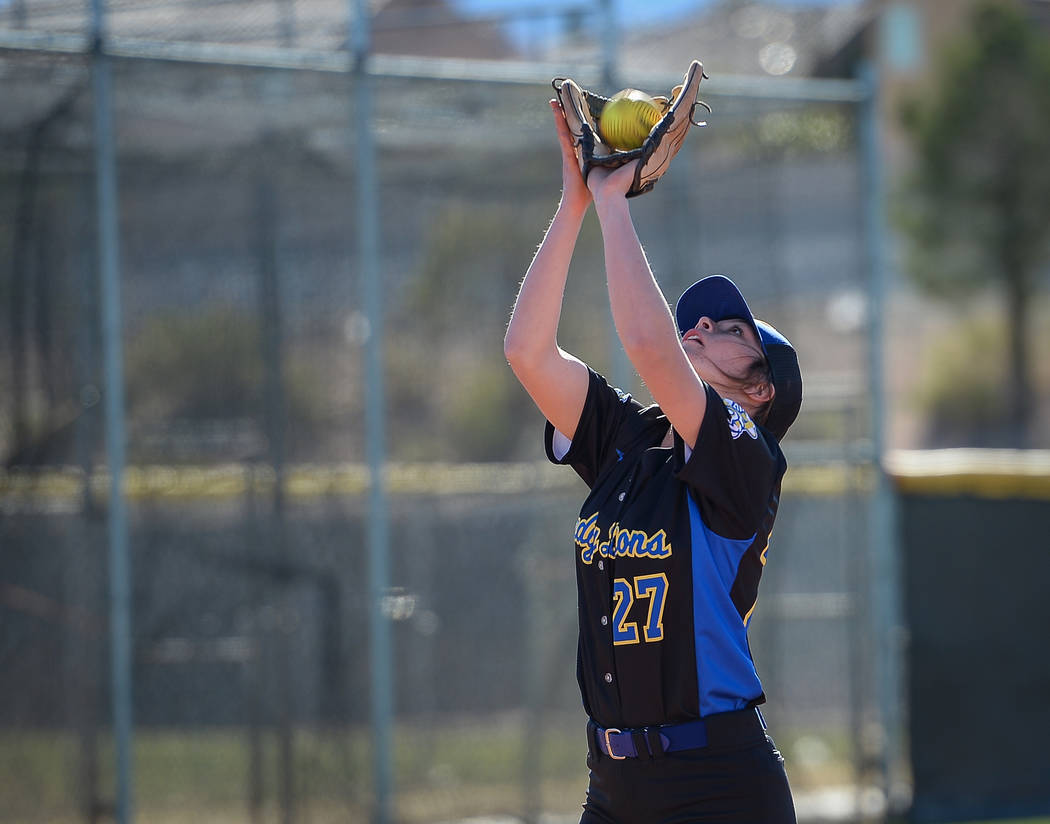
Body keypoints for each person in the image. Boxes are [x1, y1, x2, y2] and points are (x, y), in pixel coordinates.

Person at [503, 98, 803, 823]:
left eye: (730, 330)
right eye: (697, 321)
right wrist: (574, 203)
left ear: (759, 389)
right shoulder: (628, 441)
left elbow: (646, 344)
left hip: (716, 784)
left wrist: (614, 200)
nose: (701, 326)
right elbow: (527, 352)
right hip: (612, 785)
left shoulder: (747, 458)